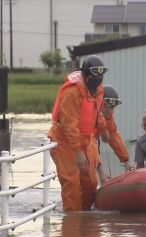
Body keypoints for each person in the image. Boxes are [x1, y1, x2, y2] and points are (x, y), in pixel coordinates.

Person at [48, 55, 108, 211]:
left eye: (101, 75)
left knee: (90, 182)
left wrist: (103, 128)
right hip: (64, 141)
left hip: (86, 140)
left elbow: (96, 112)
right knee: (72, 184)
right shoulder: (72, 91)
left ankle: (85, 220)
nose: (99, 79)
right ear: (86, 76)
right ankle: (72, 223)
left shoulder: (98, 90)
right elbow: (69, 124)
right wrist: (77, 151)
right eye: (96, 75)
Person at [96, 85, 131, 184]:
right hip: (69, 144)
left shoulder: (108, 117)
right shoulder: (90, 115)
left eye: (113, 107)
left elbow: (114, 137)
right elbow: (89, 145)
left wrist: (126, 160)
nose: (111, 110)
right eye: (108, 107)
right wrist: (100, 171)